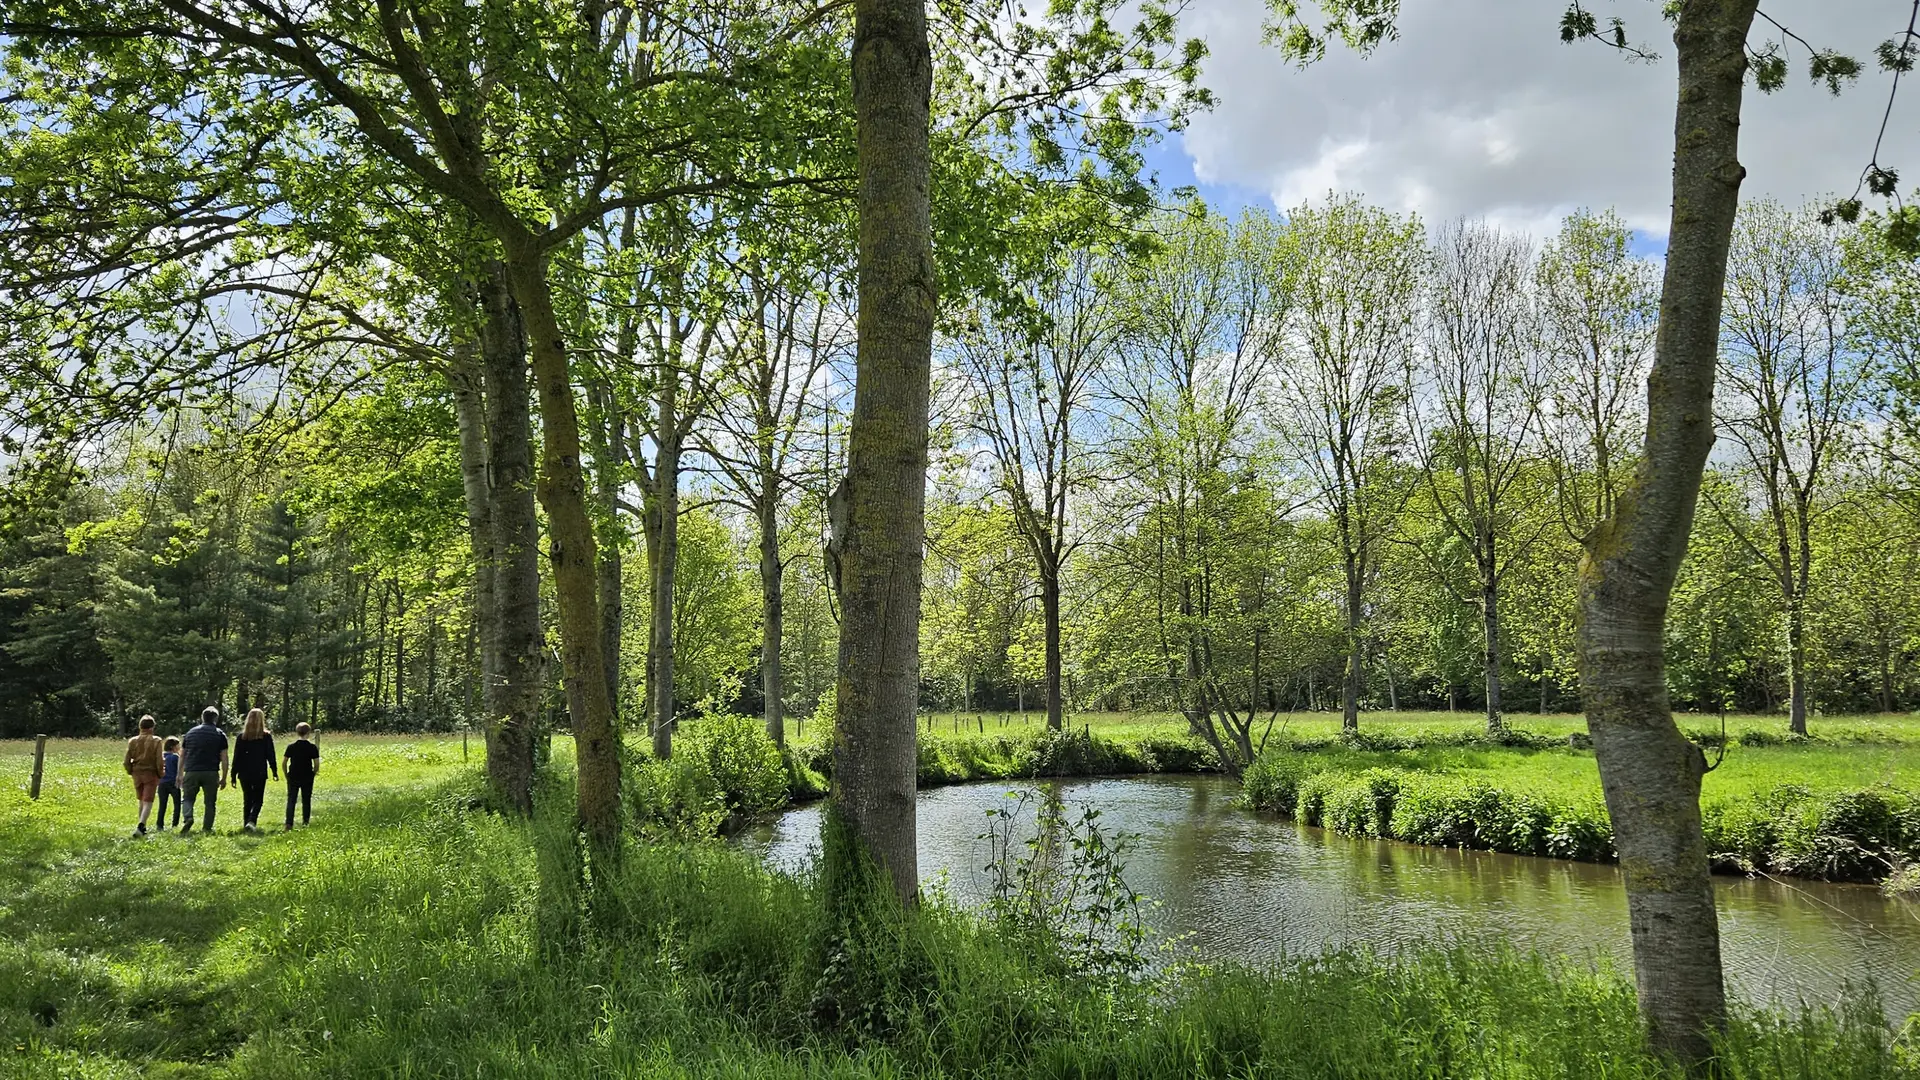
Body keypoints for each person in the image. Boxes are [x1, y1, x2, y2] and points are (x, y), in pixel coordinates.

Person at [178, 706, 229, 834]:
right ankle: (207, 828)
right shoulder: (219, 734)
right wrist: (224, 777)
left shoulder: (190, 733)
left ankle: (188, 817)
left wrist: (179, 773)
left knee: (188, 798)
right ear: (215, 719)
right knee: (210, 802)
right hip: (211, 772)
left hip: (192, 771)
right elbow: (224, 757)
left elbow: (182, 755)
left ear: (202, 718)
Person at [231, 708, 278, 833]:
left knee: (247, 798)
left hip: (244, 772)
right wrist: (274, 771)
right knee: (258, 799)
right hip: (259, 771)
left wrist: (233, 775)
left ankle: (246, 822)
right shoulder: (265, 737)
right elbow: (270, 755)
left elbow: (237, 757)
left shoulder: (242, 737)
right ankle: (252, 821)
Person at [122, 715, 164, 836]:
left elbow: (126, 761)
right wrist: (160, 773)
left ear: (140, 727)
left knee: (141, 800)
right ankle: (141, 826)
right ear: (152, 727)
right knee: (148, 801)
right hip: (150, 772)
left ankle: (142, 826)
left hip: (137, 772)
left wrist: (130, 771)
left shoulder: (133, 741)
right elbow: (159, 760)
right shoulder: (156, 740)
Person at [283, 722, 319, 830]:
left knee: (291, 799)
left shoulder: (291, 747)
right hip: (307, 775)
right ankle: (305, 822)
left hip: (293, 775)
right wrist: (314, 773)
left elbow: (284, 762)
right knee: (306, 799)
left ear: (297, 733)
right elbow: (316, 763)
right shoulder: (312, 747)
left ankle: (289, 823)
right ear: (308, 733)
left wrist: (286, 774)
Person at [156, 737, 183, 831]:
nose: (179, 747)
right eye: (178, 746)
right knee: (177, 804)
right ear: (173, 747)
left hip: (162, 783)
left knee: (162, 805)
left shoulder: (161, 756)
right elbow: (180, 769)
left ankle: (159, 824)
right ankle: (174, 824)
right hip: (173, 783)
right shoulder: (175, 757)